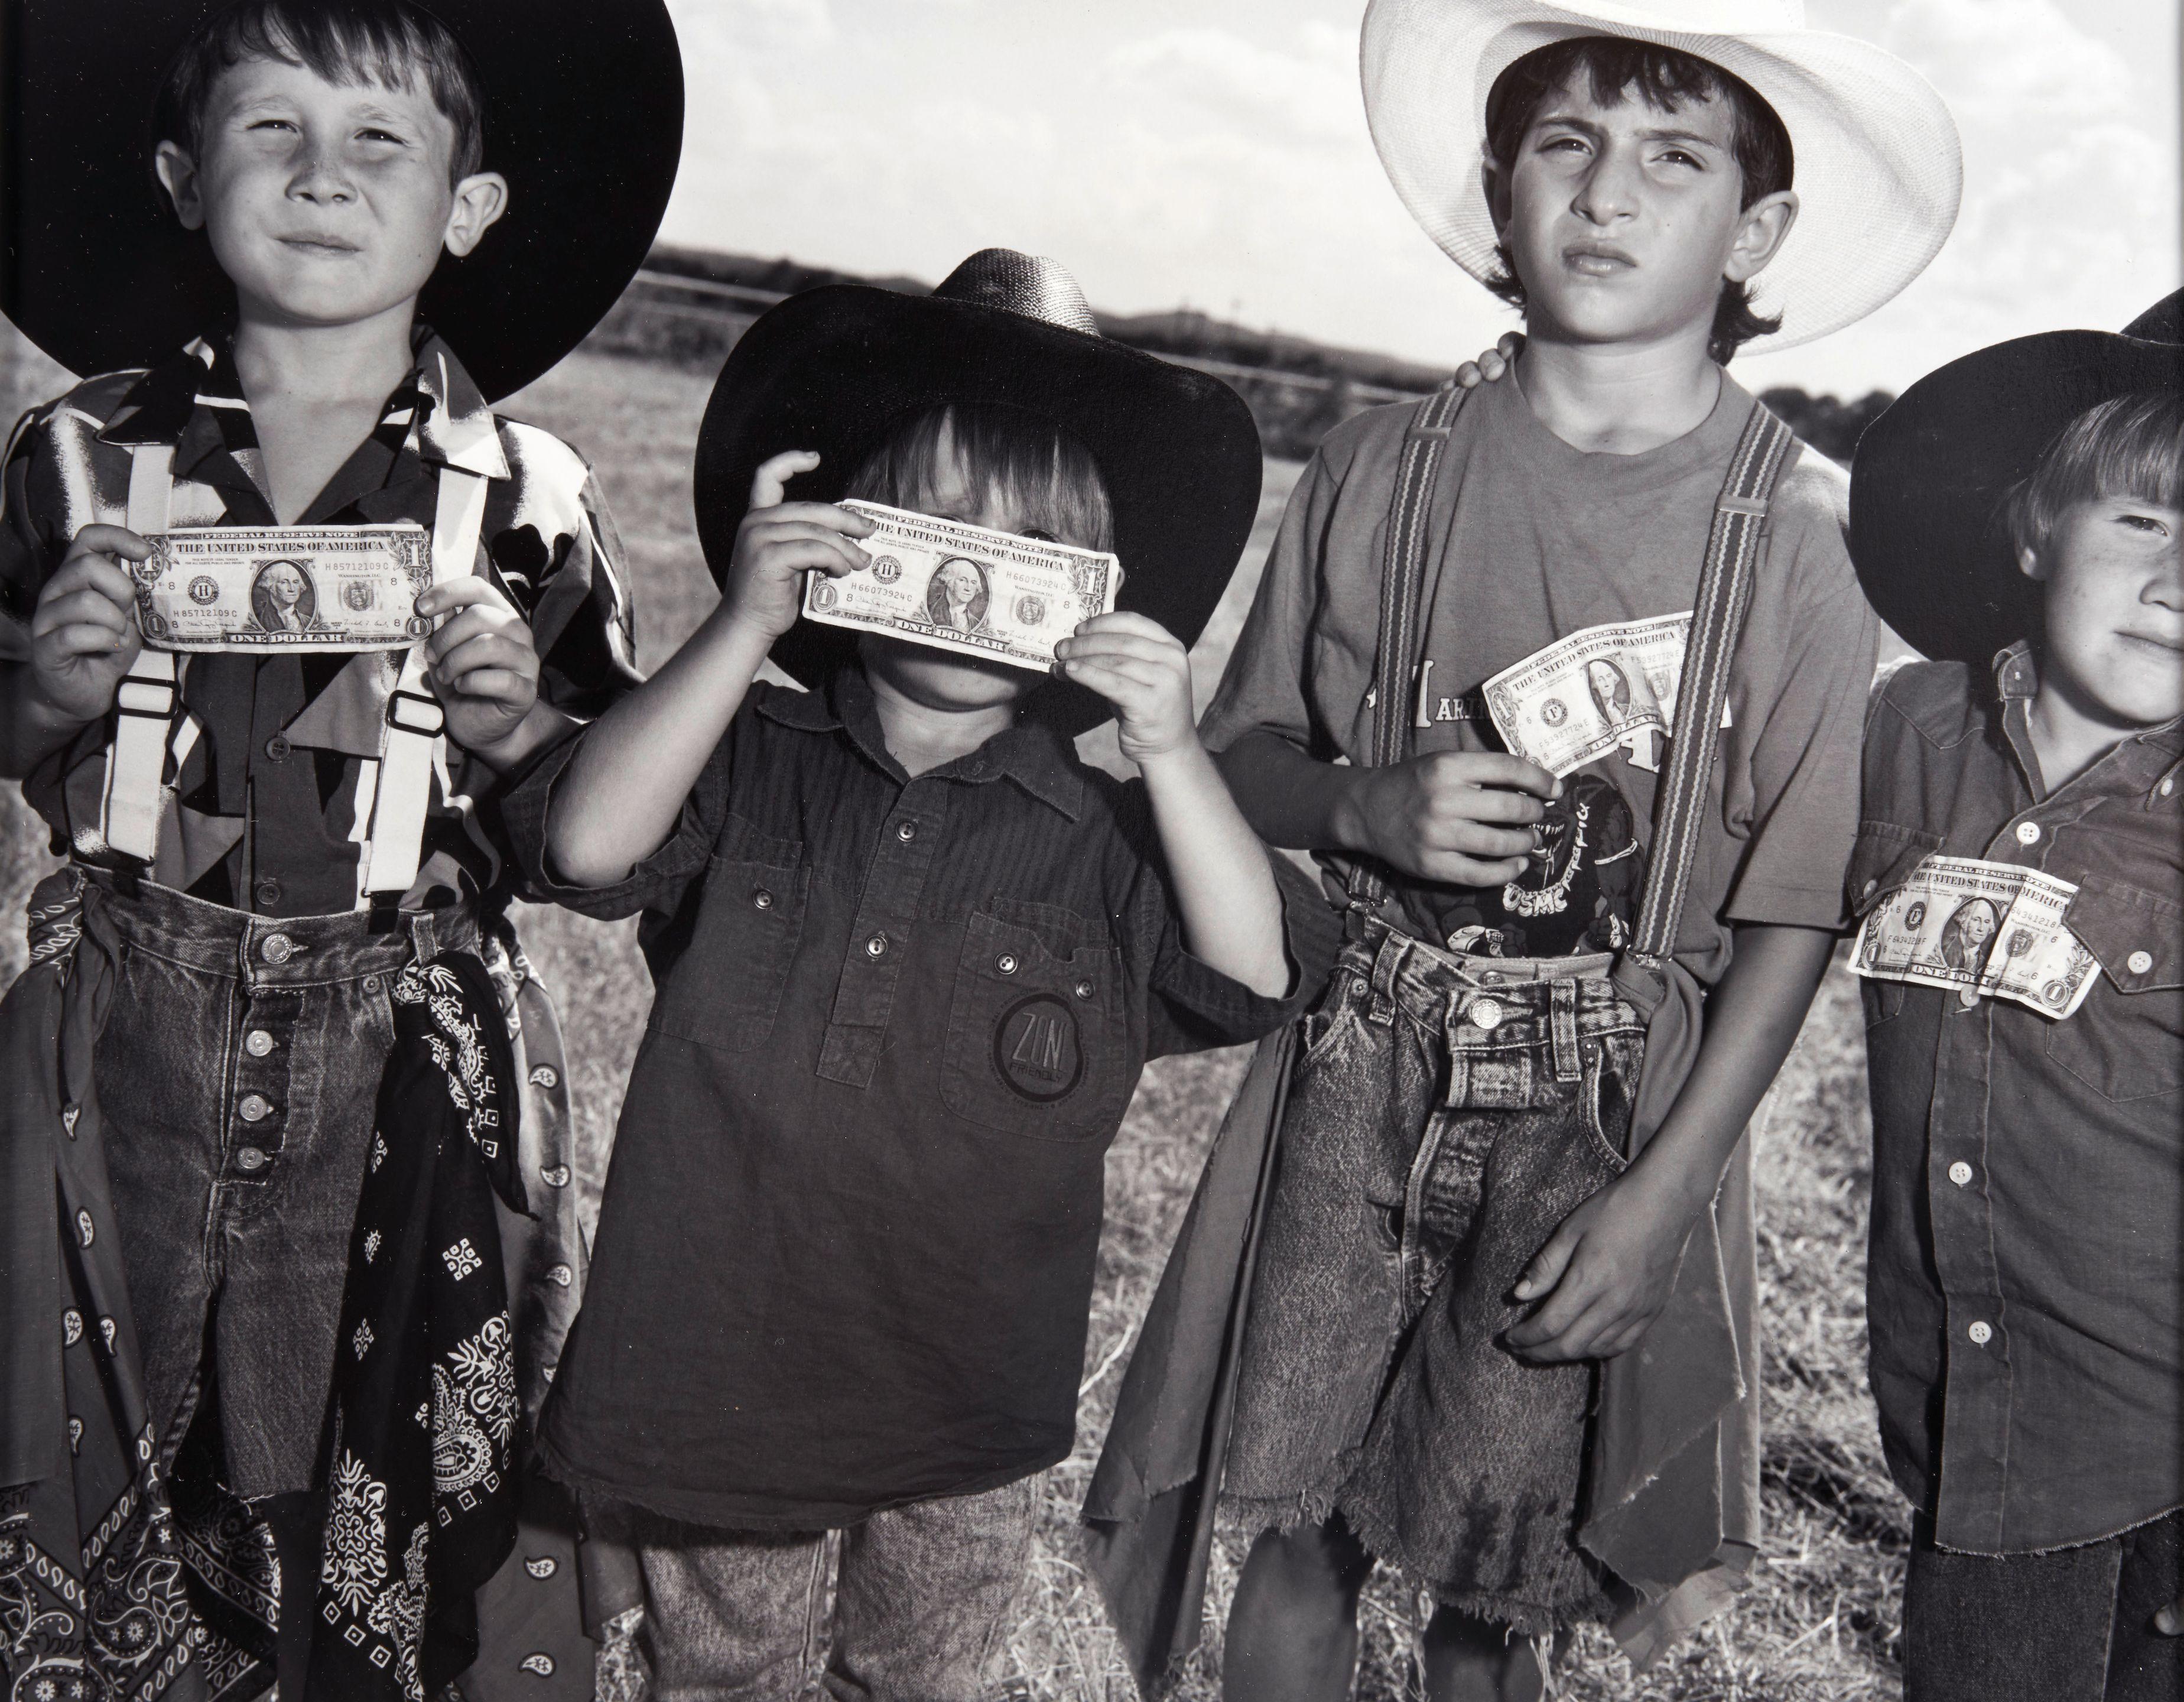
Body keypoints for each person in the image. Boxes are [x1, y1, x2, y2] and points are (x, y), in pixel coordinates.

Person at [1084, 2, 1961, 1697]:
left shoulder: (1799, 535)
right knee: (1296, 1529)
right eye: (1565, 145)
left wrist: (1662, 1201)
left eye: (1673, 160)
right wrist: (1361, 809)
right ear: (1499, 195)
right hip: (1360, 1068)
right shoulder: (1373, 470)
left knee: (1500, 1580)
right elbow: (1237, 758)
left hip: (1612, 1107)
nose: (1606, 196)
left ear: (1756, 232)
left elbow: (1793, 916)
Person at [504, 248, 1308, 1700]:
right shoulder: (744, 752)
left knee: (920, 1685)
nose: (964, 567)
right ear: (836, 534)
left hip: (963, 1405)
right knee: (723, 1677)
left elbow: (1252, 971)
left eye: (1025, 543)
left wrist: (1174, 752)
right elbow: (580, 840)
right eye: (926, 520)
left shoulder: (1117, 828)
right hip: (712, 1376)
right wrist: (741, 625)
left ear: (1098, 587)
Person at [0, 2, 681, 1697]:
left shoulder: (528, 498)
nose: (321, 177)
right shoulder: (78, 455)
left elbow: (601, 851)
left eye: (380, 139)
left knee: (340, 1473)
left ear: (469, 206)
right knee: (76, 1439)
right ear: (181, 175)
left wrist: (524, 730)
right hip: (118, 1027)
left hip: (398, 1067)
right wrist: (45, 688)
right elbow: (11, 741)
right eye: (269, 130)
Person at [1846, 295, 2183, 1702]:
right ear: (2036, 524)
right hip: (1969, 1418)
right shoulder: (1908, 733)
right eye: (2146, 524)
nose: (2180, 583)